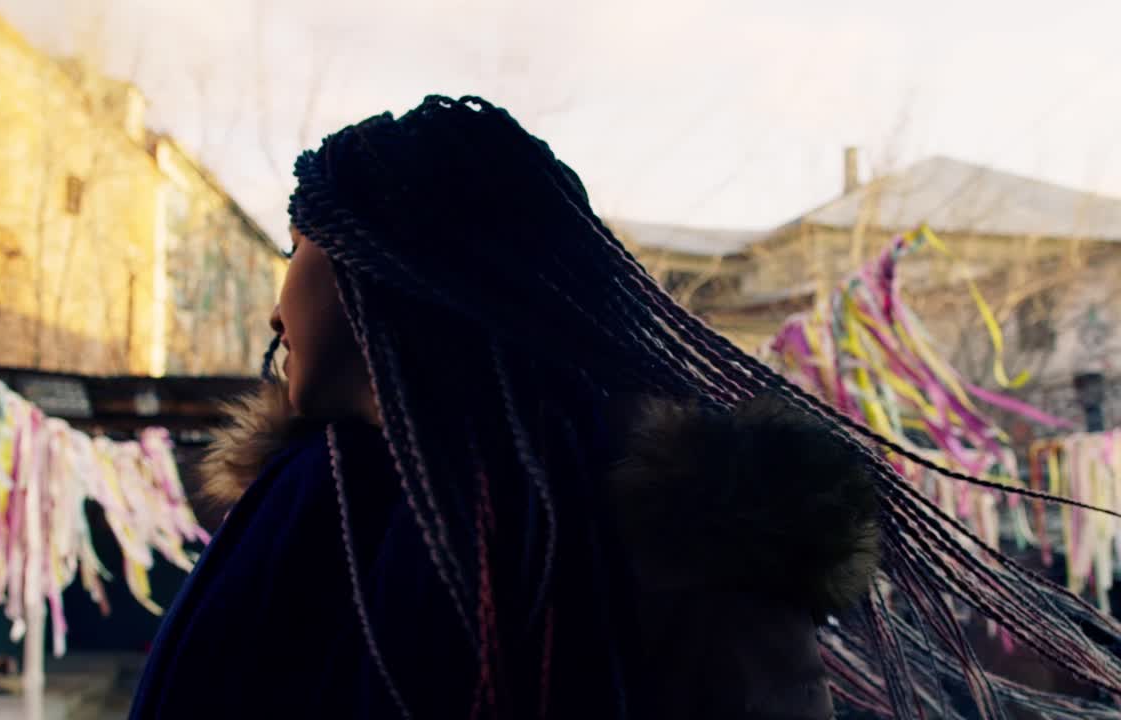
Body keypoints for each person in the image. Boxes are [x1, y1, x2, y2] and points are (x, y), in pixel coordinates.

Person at [130, 96, 1121, 719]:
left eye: (296, 248)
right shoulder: (307, 511)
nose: (274, 303)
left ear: (387, 273)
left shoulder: (673, 547)